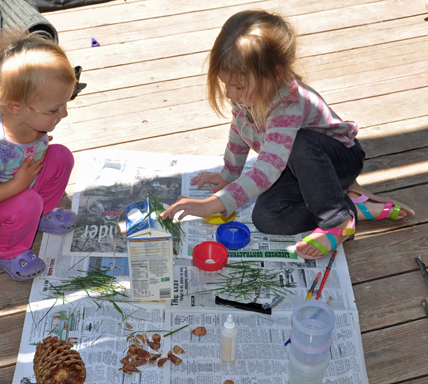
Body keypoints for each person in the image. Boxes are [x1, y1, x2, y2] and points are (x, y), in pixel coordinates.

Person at [161, 10, 414, 260]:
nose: (229, 94)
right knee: (267, 218)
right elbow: (239, 129)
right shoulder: (248, 95)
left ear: (276, 74)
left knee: (298, 144)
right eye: (226, 84)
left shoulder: (288, 106)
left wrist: (211, 205)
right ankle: (351, 205)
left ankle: (338, 219)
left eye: (237, 86)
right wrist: (229, 173)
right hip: (296, 168)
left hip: (339, 160)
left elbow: (268, 169)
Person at [0, 30, 78, 280]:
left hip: (19, 187)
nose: (63, 114)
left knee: (61, 156)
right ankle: (5, 250)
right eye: (54, 109)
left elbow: (36, 158)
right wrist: (15, 186)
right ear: (16, 108)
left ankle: (39, 215)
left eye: (65, 103)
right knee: (28, 200)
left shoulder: (30, 121)